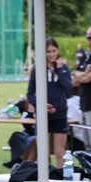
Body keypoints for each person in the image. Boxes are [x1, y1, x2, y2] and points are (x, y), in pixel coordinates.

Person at [26, 38, 73, 166]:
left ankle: (60, 175)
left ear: (58, 51)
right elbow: (30, 94)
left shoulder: (63, 68)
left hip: (60, 114)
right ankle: (46, 176)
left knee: (60, 152)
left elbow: (69, 90)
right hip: (42, 115)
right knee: (43, 152)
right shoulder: (37, 68)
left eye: (54, 51)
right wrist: (40, 105)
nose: (51, 54)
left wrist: (60, 71)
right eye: (48, 51)